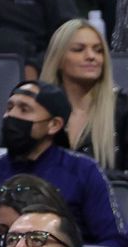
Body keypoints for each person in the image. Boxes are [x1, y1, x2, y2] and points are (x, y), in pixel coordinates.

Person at [0, 81, 124, 247]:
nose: (11, 116)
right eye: (9, 108)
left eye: (24, 109)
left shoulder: (84, 171)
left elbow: (113, 242)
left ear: (54, 125)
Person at [43, 19, 124, 172]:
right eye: (79, 49)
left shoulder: (122, 112)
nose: (91, 56)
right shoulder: (37, 110)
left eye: (98, 50)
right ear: (58, 59)